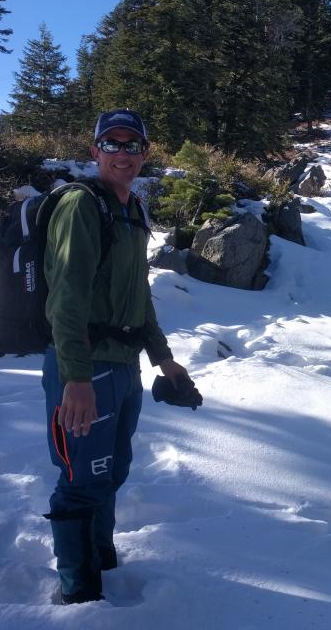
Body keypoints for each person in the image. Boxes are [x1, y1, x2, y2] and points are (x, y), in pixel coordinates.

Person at [42, 109, 196, 604]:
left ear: (145, 153)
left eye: (132, 144)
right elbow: (65, 298)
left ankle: (100, 559)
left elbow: (138, 293)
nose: (123, 153)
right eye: (112, 143)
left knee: (112, 472)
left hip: (124, 369)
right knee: (82, 479)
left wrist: (163, 358)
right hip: (84, 370)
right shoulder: (82, 207)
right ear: (95, 152)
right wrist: (76, 379)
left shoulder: (131, 209)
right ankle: (79, 593)